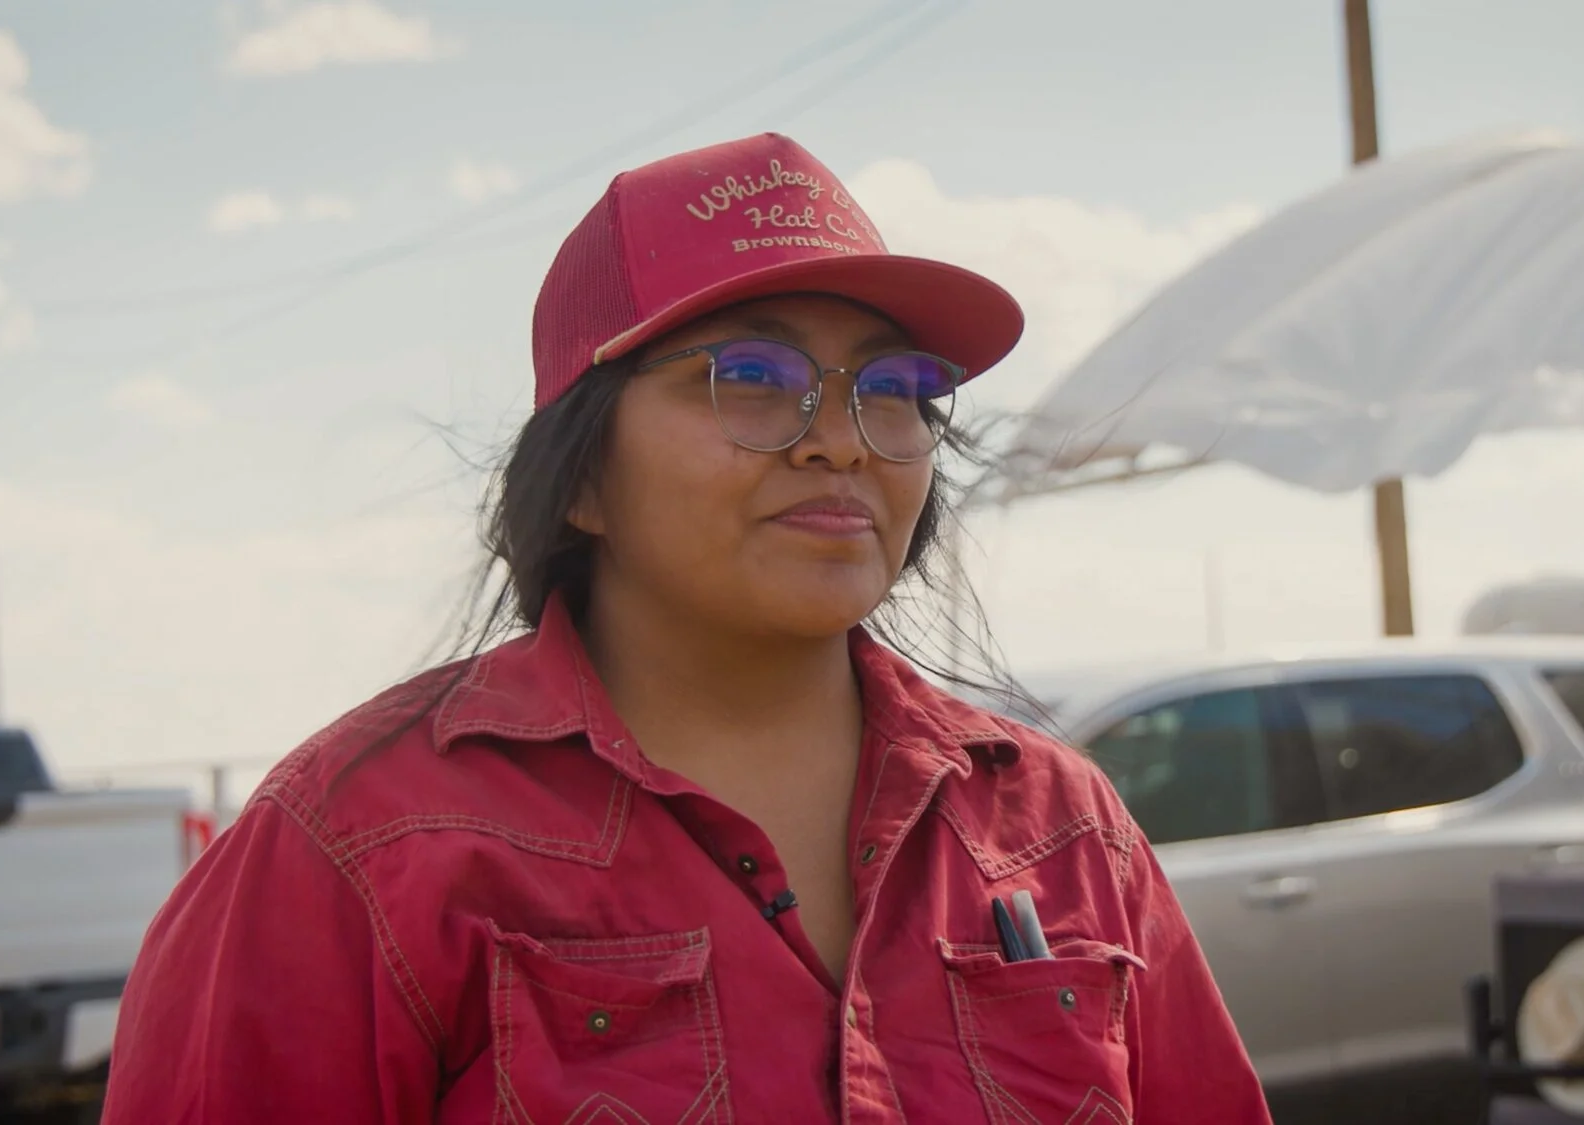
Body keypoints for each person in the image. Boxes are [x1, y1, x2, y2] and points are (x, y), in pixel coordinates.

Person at [101, 132, 1271, 1125]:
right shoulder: (356, 847)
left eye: (892, 386)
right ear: (579, 481)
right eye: (751, 374)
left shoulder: (1057, 828)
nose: (841, 437)